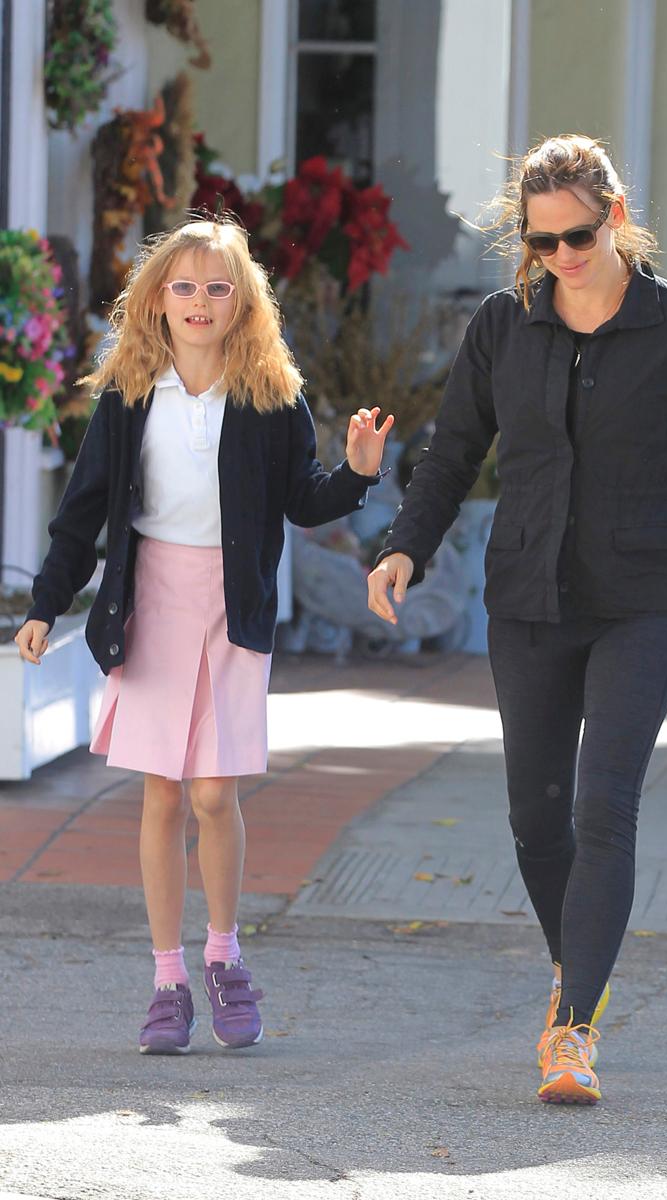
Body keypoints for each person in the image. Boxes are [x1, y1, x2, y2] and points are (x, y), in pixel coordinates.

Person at [367, 135, 667, 1105]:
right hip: (527, 600)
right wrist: (403, 546)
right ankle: (576, 972)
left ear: (615, 214)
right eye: (543, 240)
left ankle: (570, 1030)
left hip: (640, 600)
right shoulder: (501, 328)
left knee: (604, 806)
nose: (562, 255)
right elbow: (453, 450)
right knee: (532, 818)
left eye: (578, 235)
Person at [16, 216, 393, 1054]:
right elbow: (81, 519)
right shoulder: (124, 394)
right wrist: (45, 604)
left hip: (232, 607)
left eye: (217, 287)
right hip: (148, 601)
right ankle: (167, 979)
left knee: (216, 793)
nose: (199, 301)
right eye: (182, 286)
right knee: (160, 793)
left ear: (242, 301)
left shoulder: (270, 393)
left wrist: (360, 473)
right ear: (155, 299)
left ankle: (225, 956)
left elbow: (304, 501)